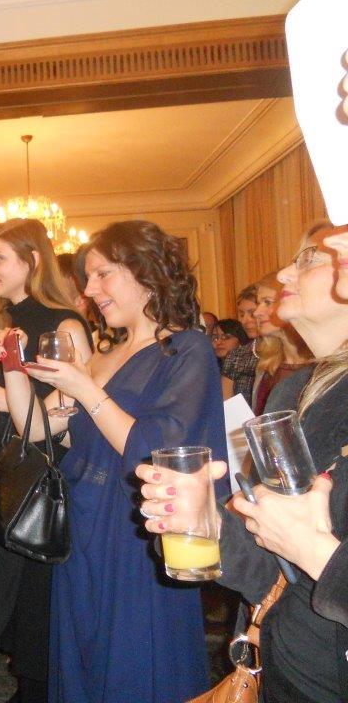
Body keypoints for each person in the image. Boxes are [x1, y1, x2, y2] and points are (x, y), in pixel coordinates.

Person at [0, 220, 225, 702]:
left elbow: (156, 448)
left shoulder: (186, 348)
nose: (89, 290)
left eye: (102, 274)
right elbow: (35, 428)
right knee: (85, 657)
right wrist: (13, 366)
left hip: (136, 532)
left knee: (135, 663)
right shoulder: (102, 358)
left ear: (146, 274)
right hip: (83, 528)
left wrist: (85, 389)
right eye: (88, 277)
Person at [138, 222, 348, 702]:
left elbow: (309, 555)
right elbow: (272, 573)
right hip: (289, 670)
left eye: (308, 259)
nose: (284, 274)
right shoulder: (296, 392)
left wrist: (316, 552)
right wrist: (207, 522)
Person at [0, 219, 92, 703]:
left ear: (32, 261)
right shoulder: (9, 328)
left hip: (48, 489)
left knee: (39, 611)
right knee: (21, 608)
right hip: (16, 482)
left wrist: (0, 397)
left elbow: (69, 418)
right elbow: (21, 419)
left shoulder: (65, 325)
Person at [252, 273, 313, 414]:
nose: (256, 312)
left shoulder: (322, 366)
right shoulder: (267, 365)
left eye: (267, 302)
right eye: (258, 303)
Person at [221, 285, 259, 402]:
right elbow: (227, 402)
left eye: (252, 314)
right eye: (241, 314)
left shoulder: (286, 352)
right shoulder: (236, 356)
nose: (244, 320)